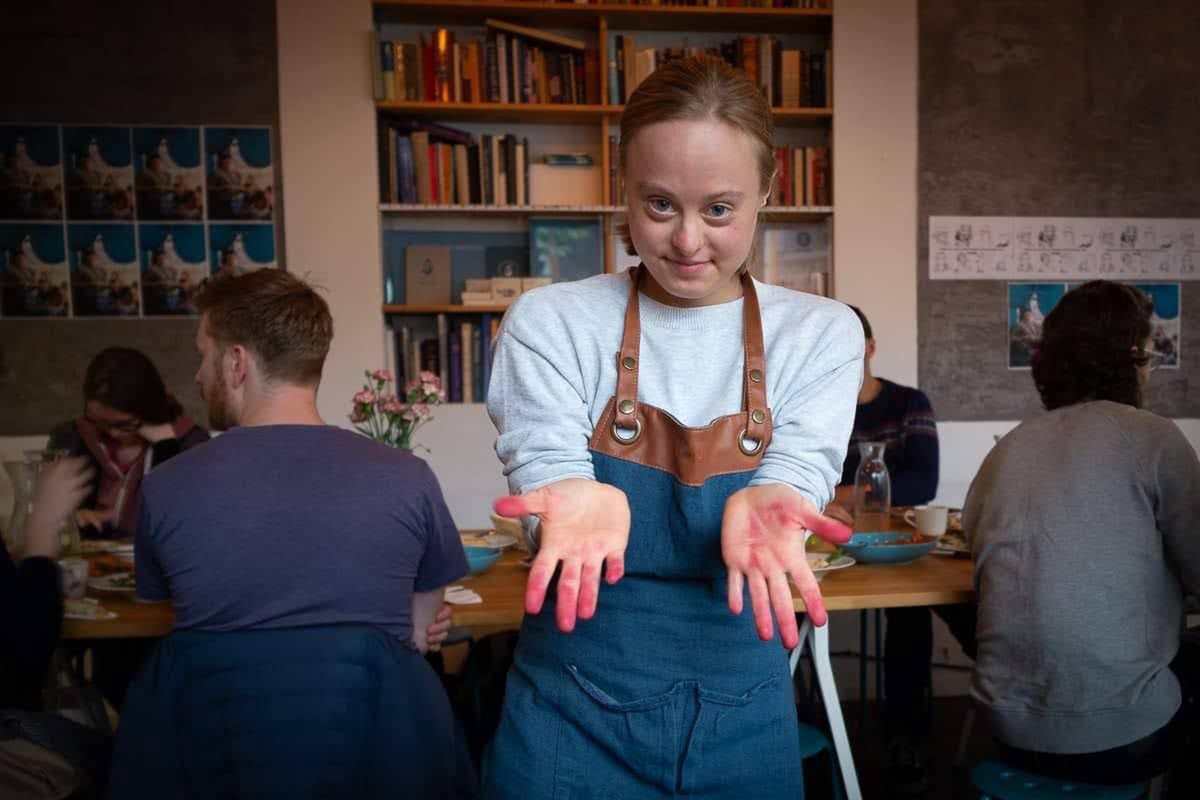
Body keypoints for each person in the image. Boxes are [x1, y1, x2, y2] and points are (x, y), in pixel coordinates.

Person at [483, 57, 862, 798]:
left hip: (742, 715)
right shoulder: (551, 322)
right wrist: (567, 491)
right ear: (621, 190)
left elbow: (801, 467)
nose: (689, 241)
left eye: (719, 210)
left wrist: (780, 494)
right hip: (569, 712)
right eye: (659, 206)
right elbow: (546, 461)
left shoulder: (821, 333)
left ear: (767, 194)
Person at [134, 267, 464, 663]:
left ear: (237, 363)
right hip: (372, 719)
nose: (199, 375)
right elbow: (419, 631)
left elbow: (155, 620)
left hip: (218, 719)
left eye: (203, 355)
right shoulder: (411, 479)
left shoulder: (164, 486)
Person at [966, 280, 1200, 789]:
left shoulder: (1006, 449)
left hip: (1006, 728)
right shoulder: (1154, 438)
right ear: (1132, 358)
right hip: (1119, 738)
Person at [825, 305, 975, 798]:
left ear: (869, 348)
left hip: (900, 544)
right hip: (833, 543)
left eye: (852, 345)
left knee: (913, 615)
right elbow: (794, 483)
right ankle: (802, 727)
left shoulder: (909, 403)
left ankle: (905, 738)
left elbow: (922, 482)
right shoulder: (815, 405)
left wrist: (840, 492)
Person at [48, 347, 209, 540]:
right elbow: (47, 512)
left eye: (123, 424)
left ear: (148, 409)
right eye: (98, 422)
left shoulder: (191, 443)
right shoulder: (73, 437)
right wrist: (72, 518)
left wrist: (164, 445)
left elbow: (184, 521)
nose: (112, 433)